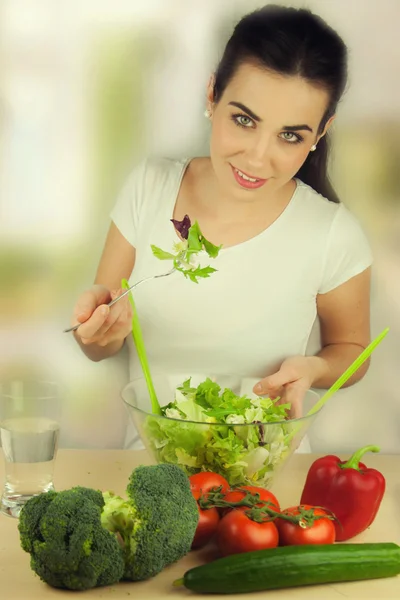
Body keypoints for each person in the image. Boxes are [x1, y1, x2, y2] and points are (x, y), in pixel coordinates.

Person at [70, 5, 372, 420]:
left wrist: (315, 368)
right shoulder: (149, 187)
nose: (258, 158)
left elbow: (353, 350)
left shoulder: (334, 234)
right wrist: (96, 331)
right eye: (244, 120)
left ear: (320, 132)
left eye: (289, 135)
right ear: (212, 96)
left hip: (264, 469)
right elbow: (101, 344)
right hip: (155, 464)